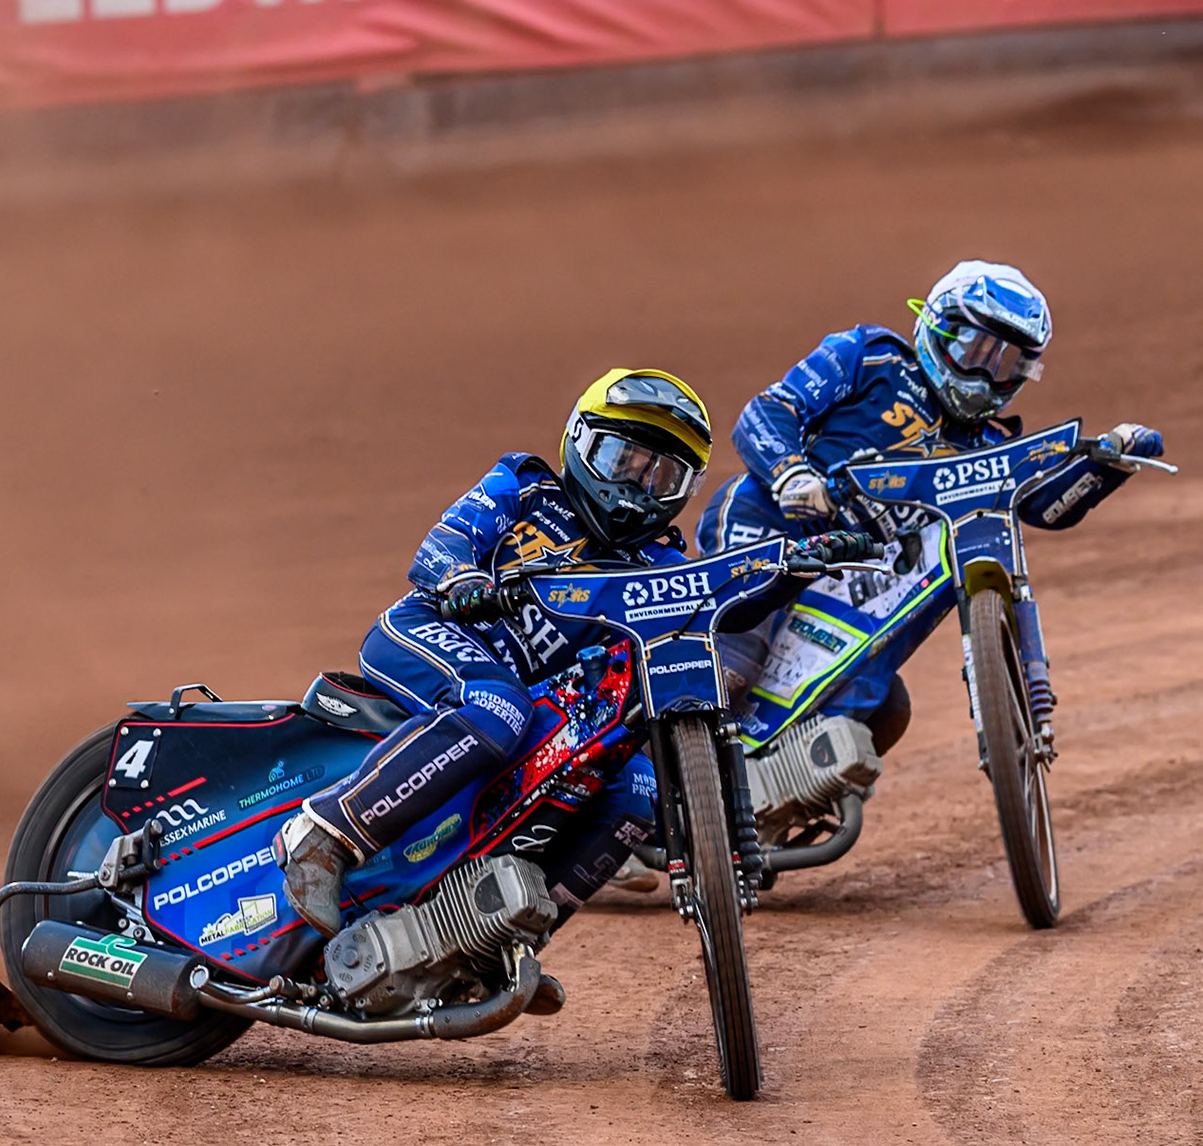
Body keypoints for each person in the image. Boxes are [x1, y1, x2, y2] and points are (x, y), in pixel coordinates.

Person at [273, 368, 849, 935]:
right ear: (580, 442)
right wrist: (459, 579)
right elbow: (447, 540)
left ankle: (502, 937)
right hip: (425, 633)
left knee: (637, 788)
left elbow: (726, 607)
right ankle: (324, 835)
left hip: (526, 701)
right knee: (499, 709)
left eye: (660, 475)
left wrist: (796, 571)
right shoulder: (524, 484)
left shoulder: (660, 562)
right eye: (623, 459)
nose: (634, 485)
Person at [694, 259, 1163, 747]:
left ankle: (775, 802)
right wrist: (792, 473)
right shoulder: (870, 355)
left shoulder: (990, 443)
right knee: (733, 668)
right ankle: (660, 773)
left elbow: (1041, 506)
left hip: (857, 580)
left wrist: (1110, 463)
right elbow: (768, 410)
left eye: (1004, 364)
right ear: (936, 328)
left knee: (887, 709)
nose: (985, 376)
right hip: (771, 524)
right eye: (975, 350)